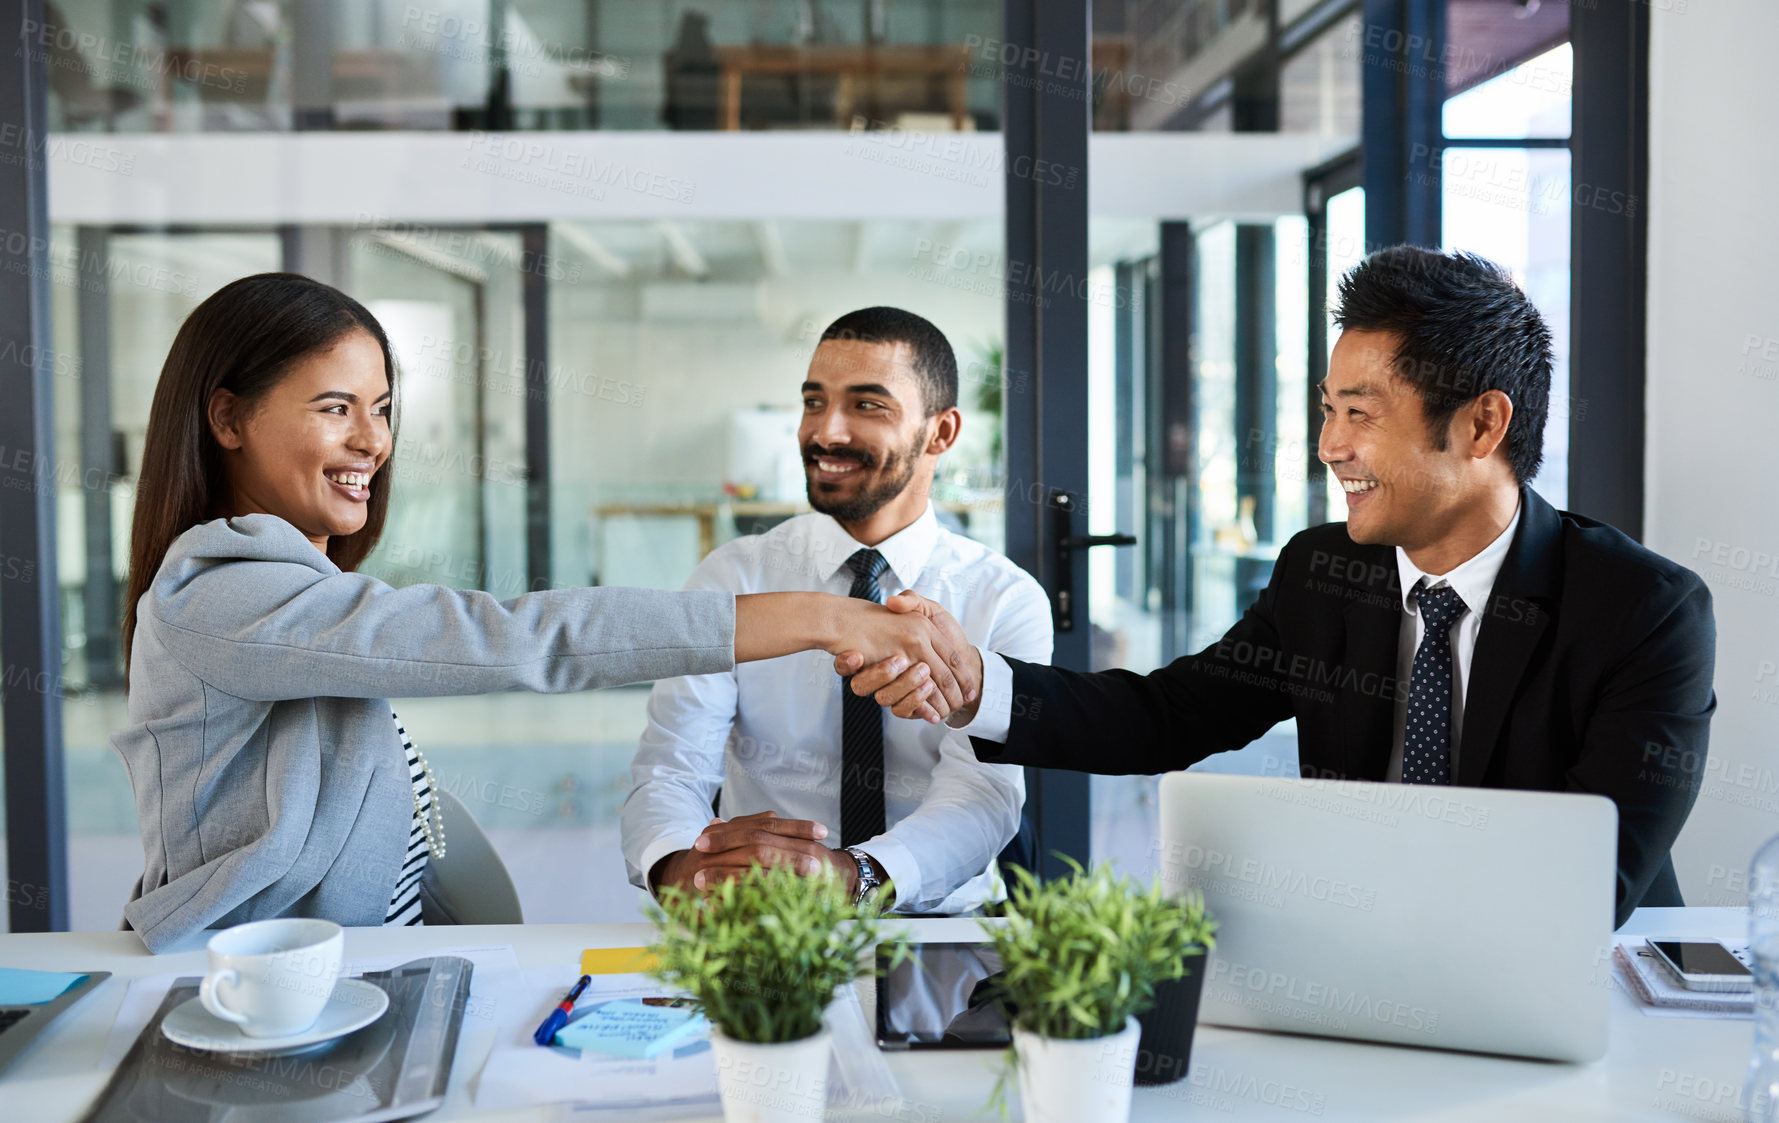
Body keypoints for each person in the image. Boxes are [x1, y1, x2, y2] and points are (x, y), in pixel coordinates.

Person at [845, 247, 1717, 929]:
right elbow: (1168, 713)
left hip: (1585, 984)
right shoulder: (1323, 573)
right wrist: (975, 684)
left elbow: (1592, 883)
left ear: (1482, 423)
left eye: (1359, 413)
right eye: (1325, 409)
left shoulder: (1643, 612)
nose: (1328, 446)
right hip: (1348, 964)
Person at [113, 274, 972, 953]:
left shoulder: (295, 591)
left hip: (343, 972)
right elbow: (517, 637)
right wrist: (826, 618)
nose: (373, 441)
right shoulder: (221, 593)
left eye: (380, 409)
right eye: (335, 407)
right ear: (227, 417)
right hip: (245, 992)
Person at [622, 308, 1051, 913]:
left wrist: (857, 877)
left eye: (867, 406)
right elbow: (671, 766)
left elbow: (982, 794)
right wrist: (679, 867)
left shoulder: (1002, 598)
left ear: (941, 433)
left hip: (934, 926)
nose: (827, 432)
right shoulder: (733, 575)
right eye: (814, 402)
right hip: (760, 920)